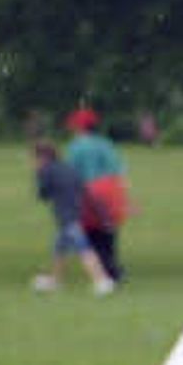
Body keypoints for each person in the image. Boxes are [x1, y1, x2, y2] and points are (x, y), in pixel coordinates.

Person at [28, 137, 105, 294]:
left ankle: (101, 281)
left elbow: (43, 195)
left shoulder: (45, 170)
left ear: (41, 157)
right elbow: (85, 191)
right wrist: (101, 213)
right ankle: (55, 281)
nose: (33, 161)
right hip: (75, 212)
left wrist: (38, 175)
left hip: (66, 216)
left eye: (34, 158)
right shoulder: (69, 168)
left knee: (84, 248)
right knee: (59, 250)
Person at [64, 107, 131, 289]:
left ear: (79, 127)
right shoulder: (105, 144)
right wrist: (123, 196)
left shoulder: (76, 146)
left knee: (91, 234)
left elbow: (71, 173)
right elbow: (119, 170)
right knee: (108, 232)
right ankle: (113, 268)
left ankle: (105, 272)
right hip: (110, 191)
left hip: (88, 193)